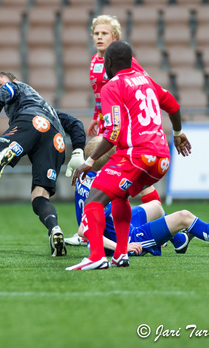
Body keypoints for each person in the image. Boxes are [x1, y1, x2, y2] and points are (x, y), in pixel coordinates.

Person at [67, 40, 192, 271]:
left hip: (137, 155)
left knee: (94, 199)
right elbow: (173, 106)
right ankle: (121, 254)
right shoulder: (146, 80)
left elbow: (113, 132)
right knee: (119, 195)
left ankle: (96, 257)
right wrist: (178, 133)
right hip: (162, 157)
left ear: (109, 62)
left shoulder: (112, 86)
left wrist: (89, 161)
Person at [64, 14, 157, 246]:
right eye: (96, 33)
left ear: (114, 37)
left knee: (128, 176)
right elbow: (100, 95)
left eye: (104, 33)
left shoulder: (128, 62)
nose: (99, 37)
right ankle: (91, 227)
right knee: (114, 175)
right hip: (108, 125)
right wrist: (97, 117)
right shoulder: (95, 61)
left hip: (123, 127)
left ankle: (89, 228)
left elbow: (144, 87)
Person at [0, 71, 87, 256]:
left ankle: (1, 155)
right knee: (39, 197)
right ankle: (54, 229)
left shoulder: (16, 87)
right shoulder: (47, 107)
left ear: (14, 82)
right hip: (55, 138)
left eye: (1, 84)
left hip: (30, 122)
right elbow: (75, 123)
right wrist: (77, 151)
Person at [76, 136, 209, 256]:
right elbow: (84, 230)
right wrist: (122, 248)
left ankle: (179, 240)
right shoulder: (104, 188)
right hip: (126, 240)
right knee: (184, 217)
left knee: (156, 207)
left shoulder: (85, 175)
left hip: (117, 227)